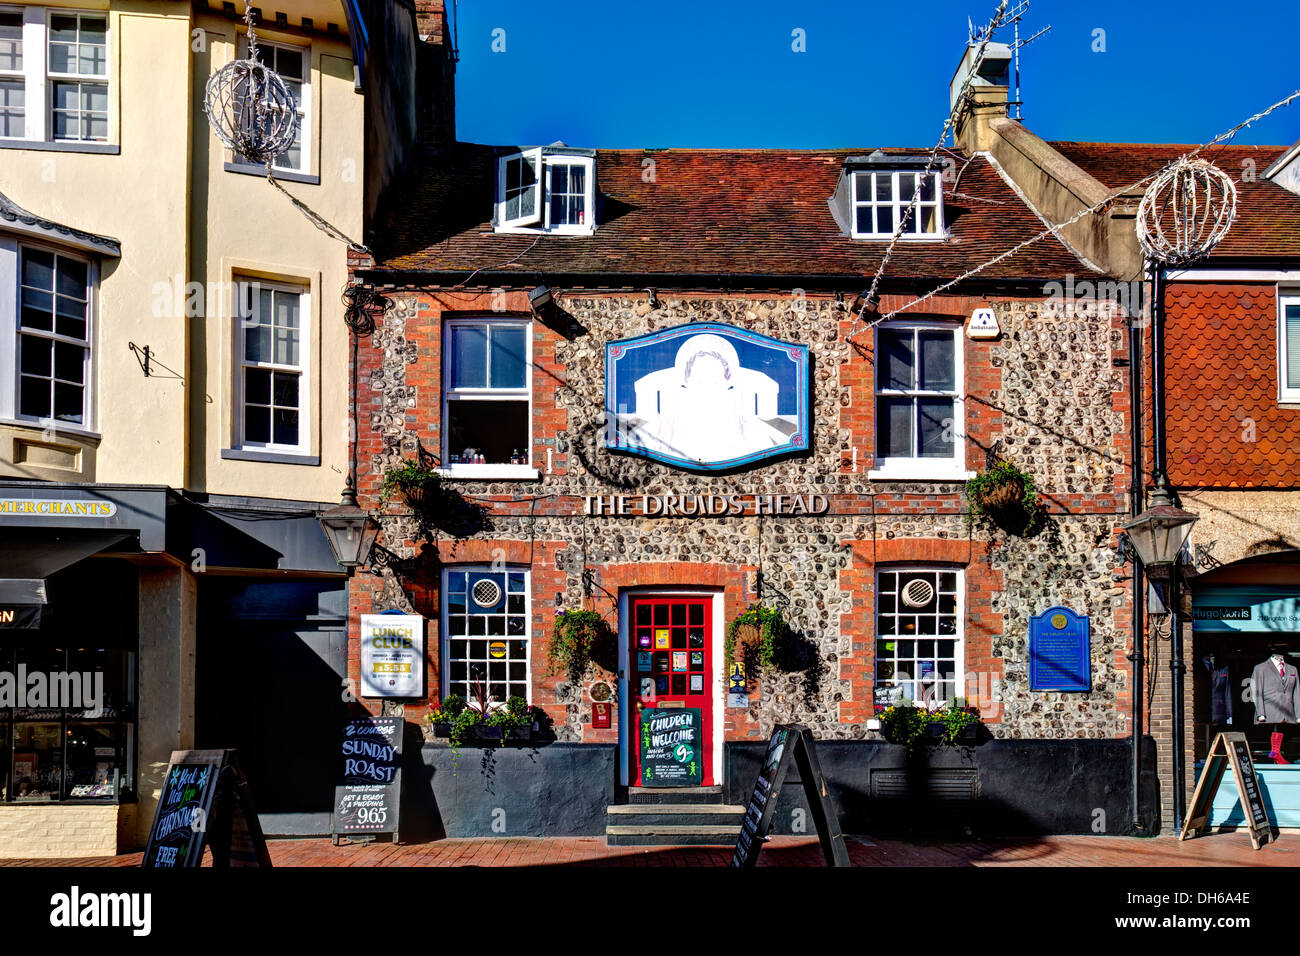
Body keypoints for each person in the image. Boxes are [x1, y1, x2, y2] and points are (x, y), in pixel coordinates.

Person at [629, 334, 787, 464]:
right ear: (686, 382)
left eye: (715, 380)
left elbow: (762, 449)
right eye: (700, 380)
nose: (707, 387)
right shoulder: (666, 427)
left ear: (727, 383)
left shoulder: (747, 427)